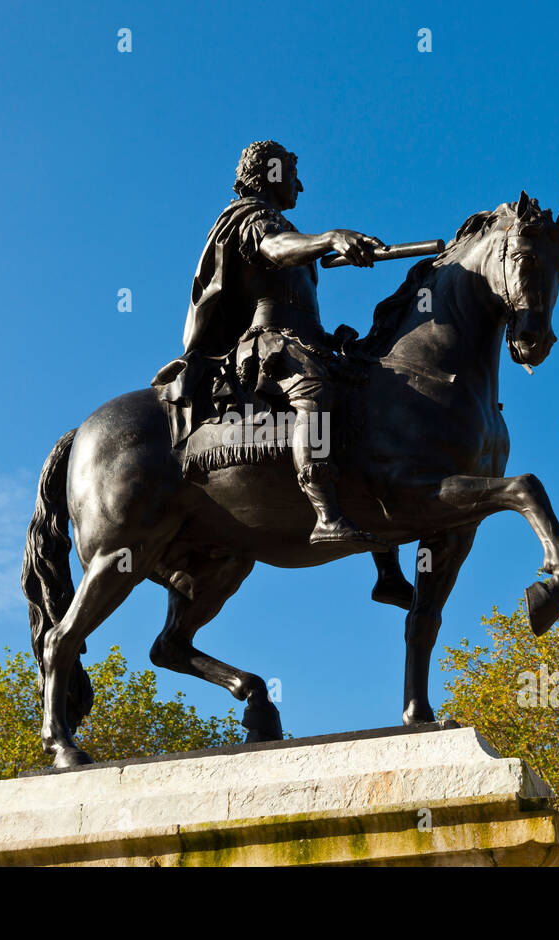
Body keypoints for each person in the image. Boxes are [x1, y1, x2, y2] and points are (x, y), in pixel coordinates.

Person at [181, 140, 415, 605]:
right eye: (292, 173)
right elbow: (275, 248)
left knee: (371, 391)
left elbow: (292, 250)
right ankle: (327, 515)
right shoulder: (248, 216)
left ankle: (387, 565)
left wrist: (332, 247)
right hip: (267, 343)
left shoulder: (283, 224)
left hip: (311, 337)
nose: (300, 185)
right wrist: (329, 238)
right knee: (315, 387)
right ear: (269, 173)